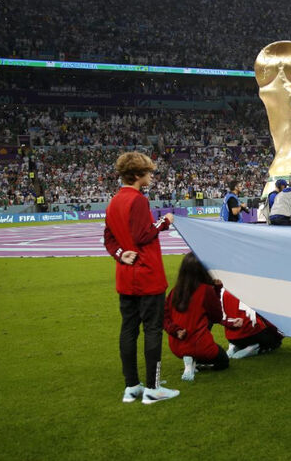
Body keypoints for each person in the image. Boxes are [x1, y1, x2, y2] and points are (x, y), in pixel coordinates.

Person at [104, 151, 179, 404]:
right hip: (147, 275)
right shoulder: (138, 200)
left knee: (128, 330)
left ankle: (132, 385)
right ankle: (153, 388)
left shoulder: (114, 201)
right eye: (148, 173)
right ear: (137, 175)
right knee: (153, 330)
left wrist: (119, 254)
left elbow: (108, 238)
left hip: (126, 276)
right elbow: (143, 235)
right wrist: (164, 222)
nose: (151, 176)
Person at [164, 253, 230, 381]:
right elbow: (217, 316)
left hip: (177, 345)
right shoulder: (206, 290)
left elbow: (164, 317)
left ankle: (192, 360)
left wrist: (176, 330)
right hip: (200, 345)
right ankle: (198, 362)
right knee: (223, 362)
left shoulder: (175, 291)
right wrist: (217, 290)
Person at [221, 288, 283, 359]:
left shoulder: (225, 291)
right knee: (275, 341)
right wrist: (280, 333)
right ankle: (255, 347)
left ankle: (234, 345)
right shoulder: (252, 290)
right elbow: (266, 318)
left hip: (231, 336)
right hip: (251, 335)